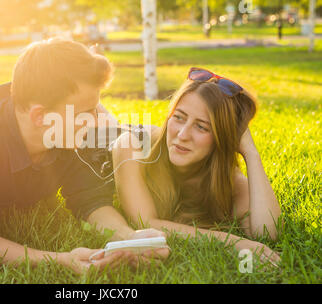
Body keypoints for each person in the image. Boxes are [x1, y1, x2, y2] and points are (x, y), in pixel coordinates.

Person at [0, 38, 167, 275]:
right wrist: (62, 260)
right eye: (87, 112)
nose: (97, 123)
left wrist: (129, 238)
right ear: (40, 116)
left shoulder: (69, 127)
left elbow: (91, 200)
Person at [111, 67, 282, 265]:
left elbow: (268, 233)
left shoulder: (226, 180)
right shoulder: (132, 146)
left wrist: (251, 153)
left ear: (221, 139)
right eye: (179, 117)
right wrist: (233, 242)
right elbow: (145, 222)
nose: (183, 134)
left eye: (201, 126)